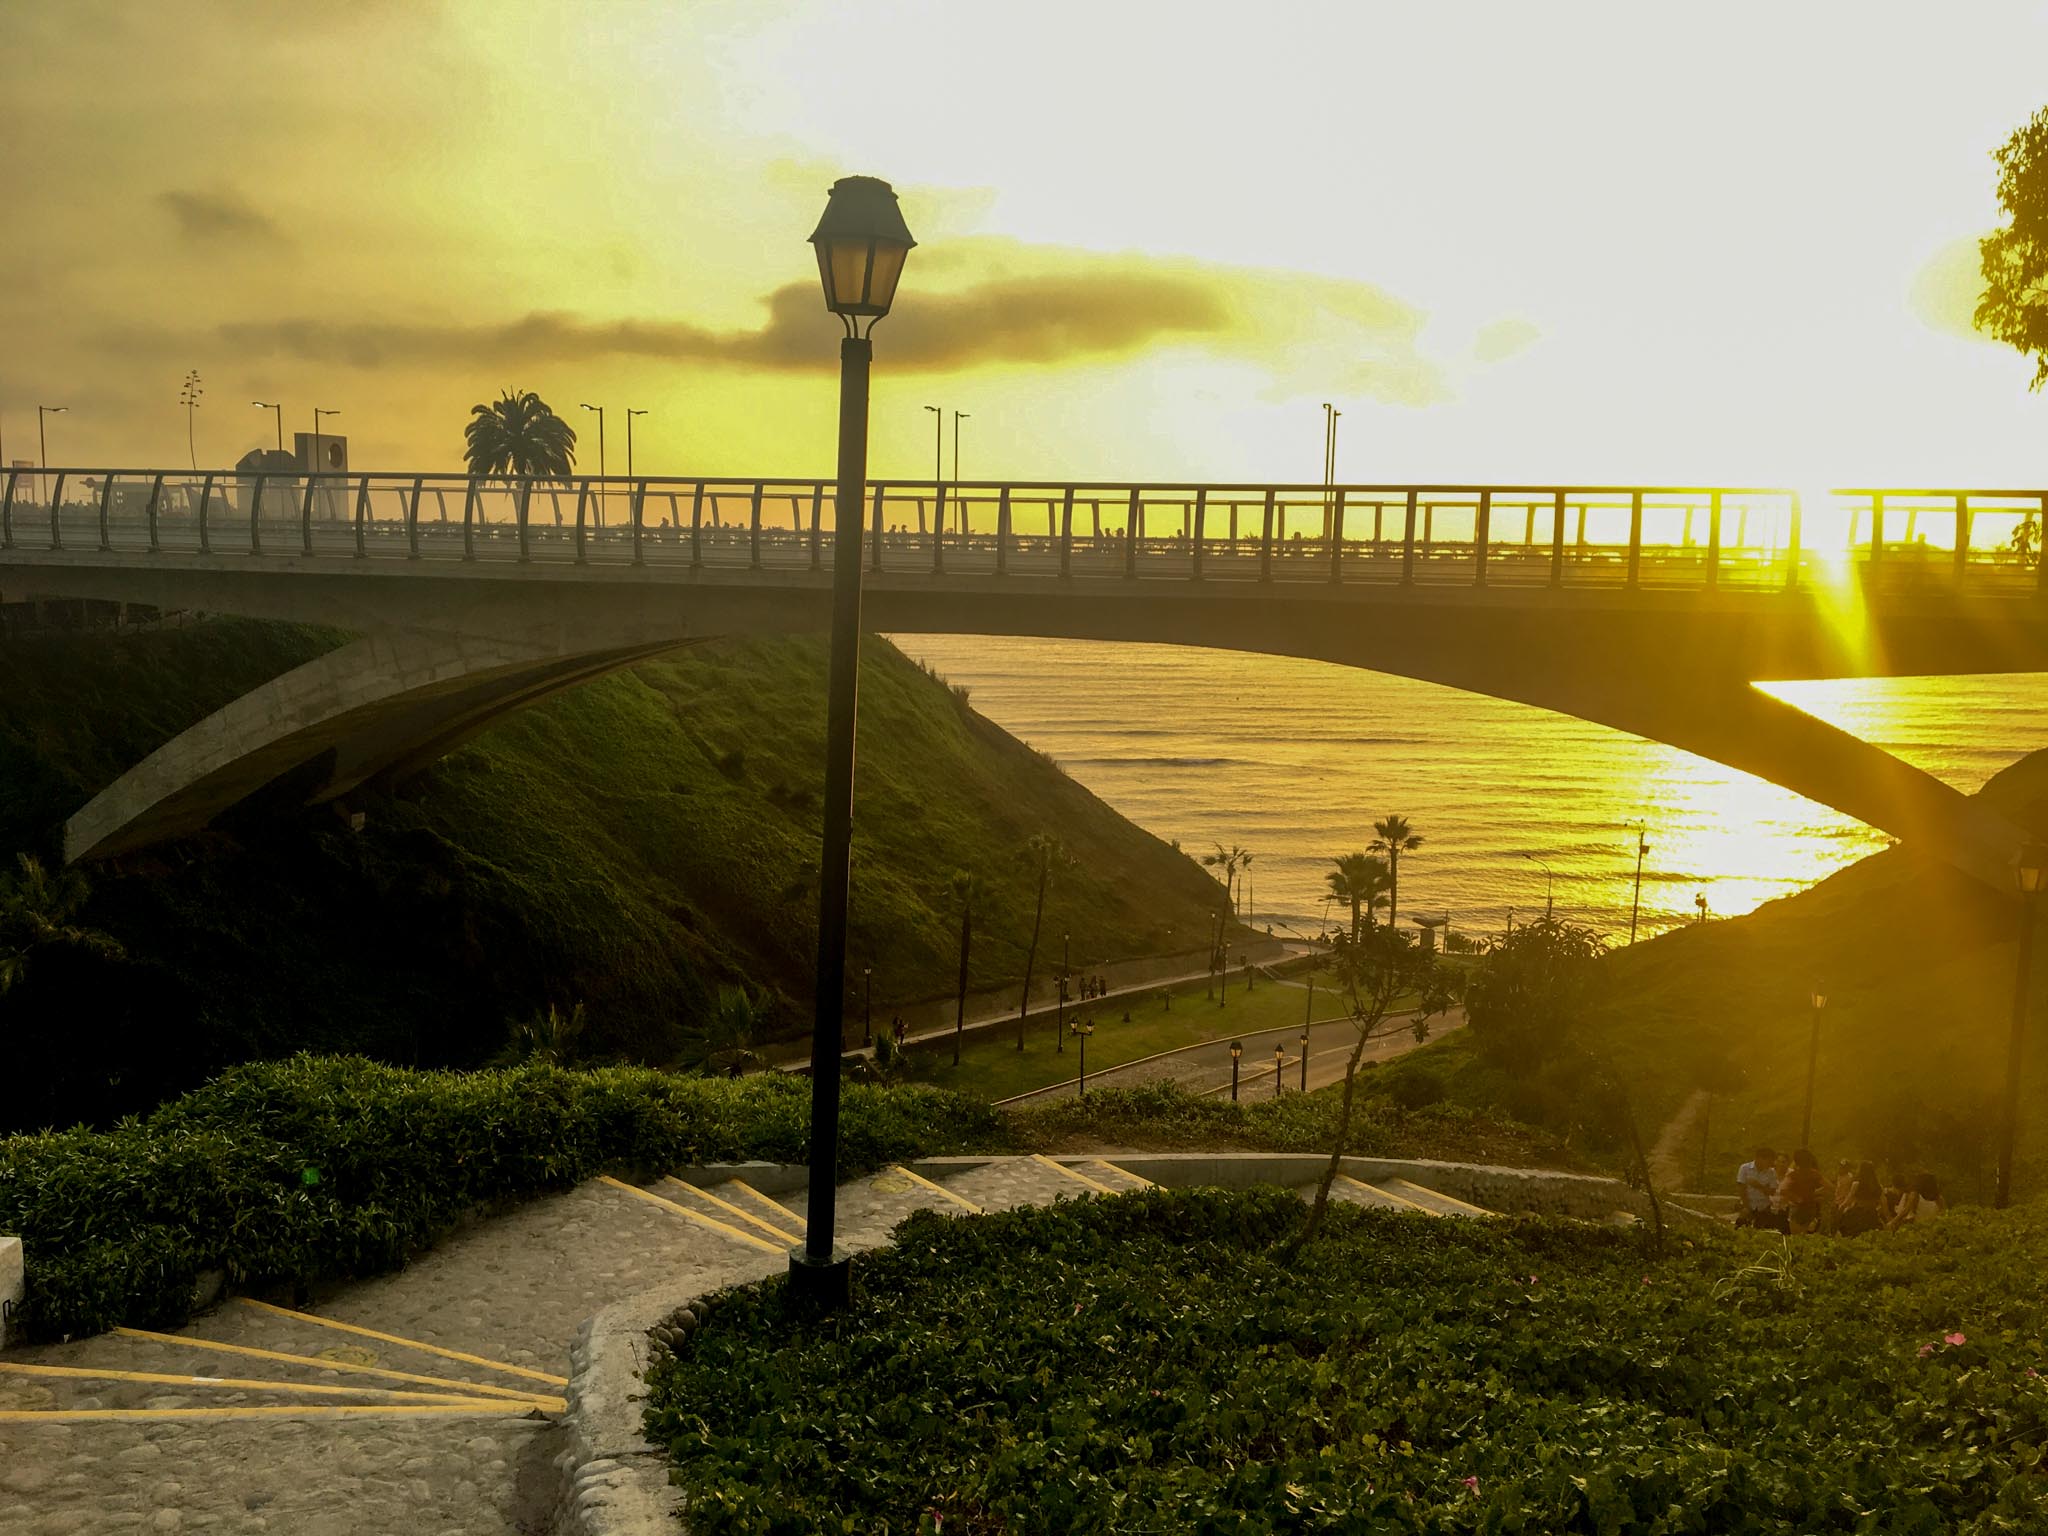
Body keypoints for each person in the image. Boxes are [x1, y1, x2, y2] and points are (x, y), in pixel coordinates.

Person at [1778, 1148, 1827, 1234]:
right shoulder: (1814, 1174)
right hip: (1811, 1208)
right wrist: (1813, 1195)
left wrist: (1795, 1198)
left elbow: (1782, 1189)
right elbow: (1829, 1187)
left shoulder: (1793, 1175)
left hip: (1797, 1208)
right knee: (1805, 1235)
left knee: (1795, 1236)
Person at [1837, 1161, 1886, 1238]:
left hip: (1858, 1213)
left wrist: (1840, 1209)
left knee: (1848, 1233)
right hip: (1872, 1214)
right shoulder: (1878, 1186)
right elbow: (1883, 1203)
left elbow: (1848, 1200)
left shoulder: (1856, 1184)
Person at [1737, 1146, 1782, 1230]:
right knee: (1741, 1228)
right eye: (1769, 1161)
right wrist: (1746, 1207)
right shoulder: (1745, 1168)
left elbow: (1772, 1191)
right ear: (1759, 1158)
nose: (1771, 1164)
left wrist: (1758, 1186)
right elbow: (1741, 1189)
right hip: (1747, 1204)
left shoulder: (1771, 1172)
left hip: (1763, 1207)